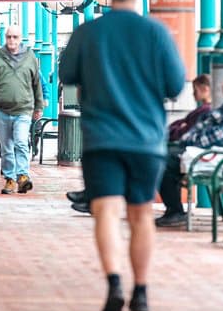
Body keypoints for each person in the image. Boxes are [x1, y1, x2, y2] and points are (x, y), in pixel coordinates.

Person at [59, 0, 186, 311]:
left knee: (105, 211)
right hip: (146, 140)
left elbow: (67, 73)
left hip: (101, 139)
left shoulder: (89, 32)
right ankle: (141, 291)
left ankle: (114, 283)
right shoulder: (156, 33)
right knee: (142, 213)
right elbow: (176, 84)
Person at [68, 73, 214, 214]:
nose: (193, 94)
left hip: (181, 150)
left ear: (205, 89)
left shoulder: (205, 111)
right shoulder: (202, 110)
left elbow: (183, 130)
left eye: (195, 90)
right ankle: (93, 196)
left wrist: (176, 129)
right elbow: (179, 125)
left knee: (130, 159)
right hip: (173, 146)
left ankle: (94, 197)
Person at [155, 72, 223, 228]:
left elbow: (216, 136)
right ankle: (174, 210)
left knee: (162, 160)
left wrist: (189, 139)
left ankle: (175, 211)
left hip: (217, 159)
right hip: (207, 153)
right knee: (164, 158)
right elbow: (197, 129)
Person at [0, 24, 44, 194]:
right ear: (5, 38)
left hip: (23, 110)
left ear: (21, 38)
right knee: (6, 147)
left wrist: (38, 106)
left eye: (15, 37)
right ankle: (10, 179)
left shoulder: (30, 57)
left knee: (21, 142)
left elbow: (36, 83)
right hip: (1, 111)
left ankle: (22, 176)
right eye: (9, 37)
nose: (12, 40)